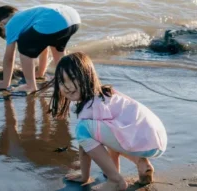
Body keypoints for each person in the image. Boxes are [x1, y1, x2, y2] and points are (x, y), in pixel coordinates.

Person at [45, 52, 167, 190]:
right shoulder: (106, 95)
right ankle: (139, 163)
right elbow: (111, 134)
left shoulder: (90, 106)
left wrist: (84, 176)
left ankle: (116, 180)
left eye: (72, 78)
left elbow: (84, 146)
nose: (66, 86)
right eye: (61, 81)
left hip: (144, 141)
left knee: (82, 130)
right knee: (105, 129)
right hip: (153, 140)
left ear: (87, 76)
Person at [0, 4, 81, 94]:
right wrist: (40, 73)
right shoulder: (28, 16)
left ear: (1, 25)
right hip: (73, 19)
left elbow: (9, 58)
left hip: (54, 21)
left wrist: (5, 83)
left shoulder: (11, 24)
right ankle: (63, 78)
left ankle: (30, 86)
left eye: (4, 34)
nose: (8, 35)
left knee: (23, 45)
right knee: (56, 48)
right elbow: (43, 45)